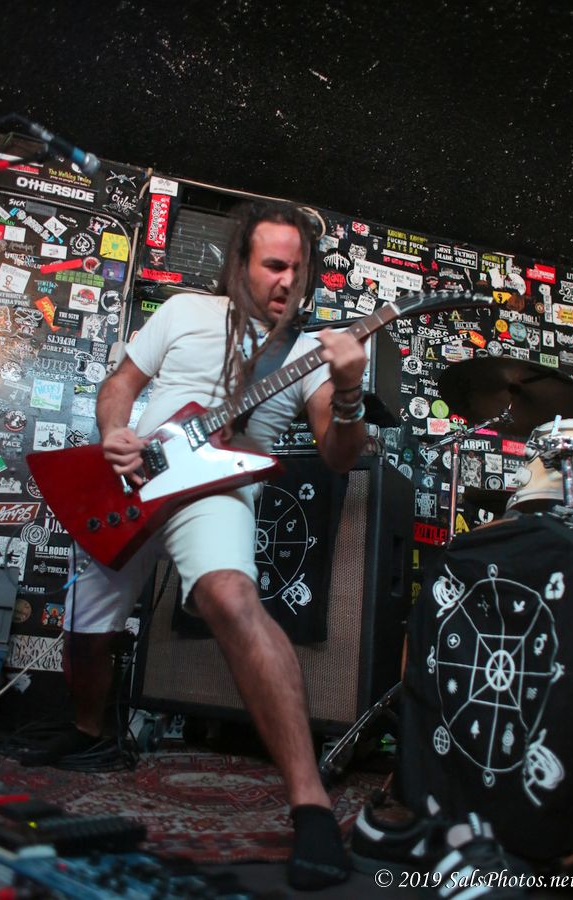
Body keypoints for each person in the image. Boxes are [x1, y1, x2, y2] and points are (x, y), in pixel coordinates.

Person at [22, 200, 368, 890]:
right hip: (130, 481)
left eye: (298, 269)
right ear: (241, 262)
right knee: (88, 633)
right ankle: (91, 735)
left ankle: (311, 808)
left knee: (231, 598)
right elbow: (121, 385)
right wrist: (115, 431)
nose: (287, 280)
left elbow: (338, 455)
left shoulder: (308, 354)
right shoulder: (183, 311)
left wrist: (351, 389)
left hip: (217, 486)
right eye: (274, 265)